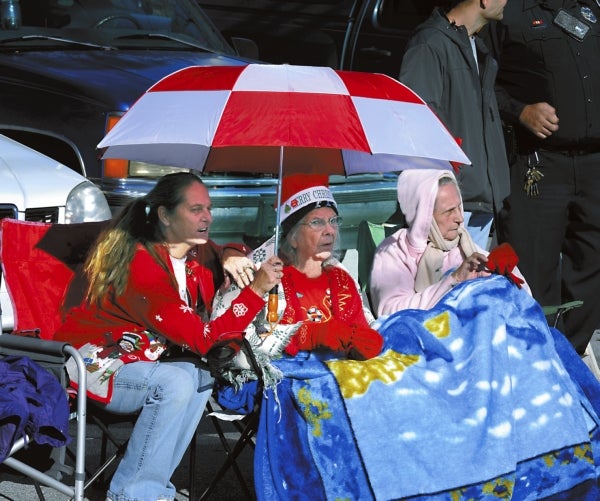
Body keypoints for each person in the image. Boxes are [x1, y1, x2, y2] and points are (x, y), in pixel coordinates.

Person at [55, 172, 283, 501]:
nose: (207, 217)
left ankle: (154, 487)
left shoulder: (191, 253)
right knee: (173, 383)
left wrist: (231, 254)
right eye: (195, 209)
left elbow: (227, 248)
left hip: (144, 360)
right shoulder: (142, 266)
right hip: (96, 363)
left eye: (208, 208)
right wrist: (257, 290)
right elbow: (204, 339)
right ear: (164, 215)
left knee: (199, 375)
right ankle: (131, 495)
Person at [484, 0, 600, 355]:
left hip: (594, 163)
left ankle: (569, 355)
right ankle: (535, 356)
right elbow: (481, 81)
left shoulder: (590, 9)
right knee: (533, 268)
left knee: (592, 264)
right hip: (539, 163)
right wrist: (519, 111)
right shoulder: (508, 12)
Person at [399, 0, 510, 250]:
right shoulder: (430, 44)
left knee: (469, 286)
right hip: (450, 204)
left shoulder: (476, 48)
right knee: (443, 287)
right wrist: (442, 197)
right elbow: (419, 126)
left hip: (479, 199)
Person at [370, 169, 529, 317]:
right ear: (424, 216)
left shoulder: (465, 247)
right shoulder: (395, 251)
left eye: (459, 207)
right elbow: (391, 312)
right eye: (448, 211)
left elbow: (526, 299)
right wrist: (454, 280)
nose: (459, 218)